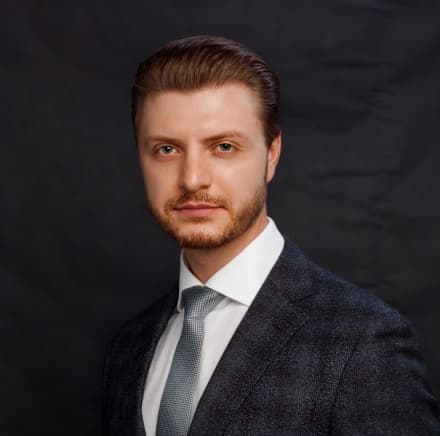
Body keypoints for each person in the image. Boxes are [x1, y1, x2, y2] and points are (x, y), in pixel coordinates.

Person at [102, 35, 439, 435]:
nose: (192, 179)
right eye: (166, 150)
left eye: (223, 146)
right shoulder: (129, 347)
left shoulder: (363, 342)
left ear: (271, 154)